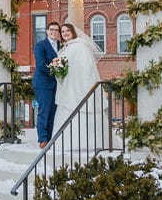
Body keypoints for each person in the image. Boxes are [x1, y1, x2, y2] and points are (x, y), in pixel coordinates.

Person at [52, 23, 108, 151]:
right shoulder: (65, 48)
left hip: (80, 85)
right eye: (63, 31)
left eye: (68, 31)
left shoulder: (80, 45)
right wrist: (58, 70)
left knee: (81, 108)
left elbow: (86, 66)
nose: (65, 33)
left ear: (73, 32)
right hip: (68, 86)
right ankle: (66, 143)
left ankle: (87, 143)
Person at [33, 21, 61, 149]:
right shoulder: (41, 45)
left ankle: (50, 138)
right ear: (47, 31)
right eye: (51, 29)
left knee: (53, 111)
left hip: (57, 84)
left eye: (56, 30)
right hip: (43, 83)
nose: (54, 31)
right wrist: (55, 71)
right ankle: (43, 139)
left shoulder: (61, 46)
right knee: (44, 111)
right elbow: (40, 64)